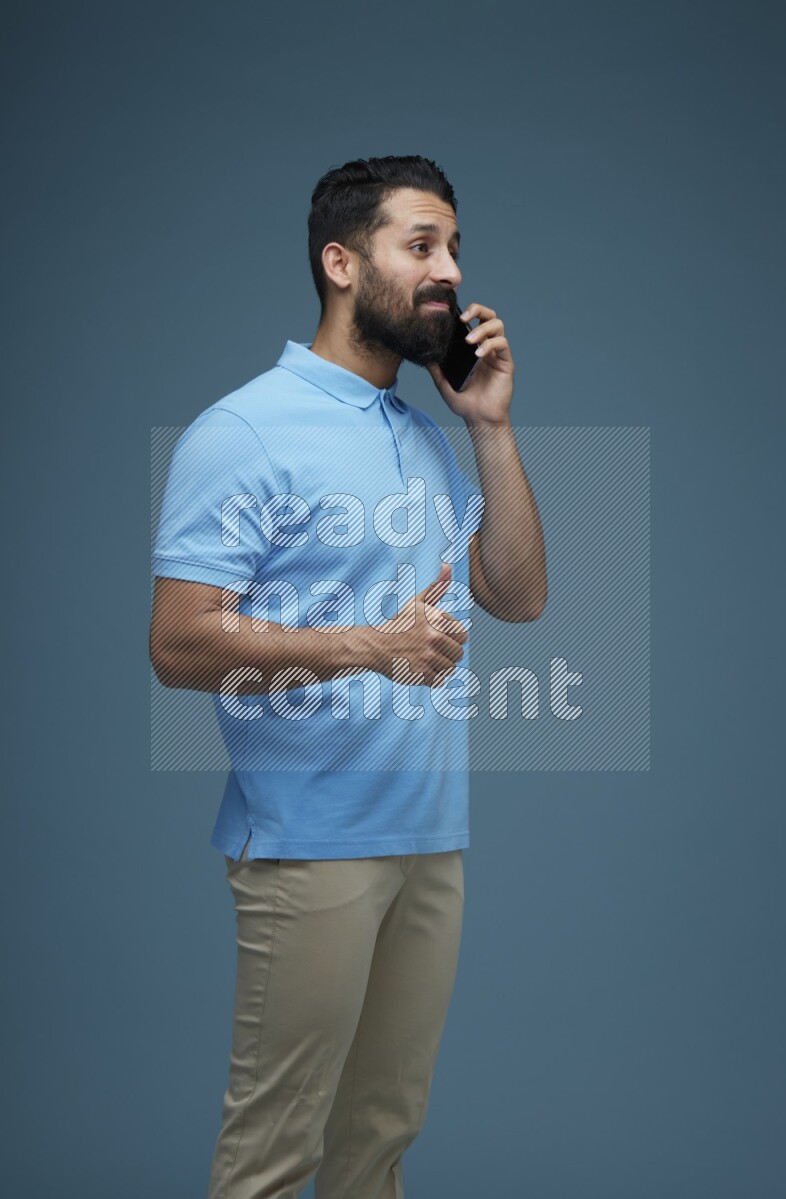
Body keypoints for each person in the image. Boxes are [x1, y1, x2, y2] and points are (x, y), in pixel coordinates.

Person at [150, 154, 546, 1199]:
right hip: (307, 842)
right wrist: (370, 645)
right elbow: (179, 643)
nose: (447, 271)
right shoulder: (242, 431)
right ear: (339, 262)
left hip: (428, 834)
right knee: (275, 1156)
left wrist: (490, 427)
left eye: (453, 247)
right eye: (420, 245)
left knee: (379, 1141)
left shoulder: (425, 437)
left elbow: (518, 595)